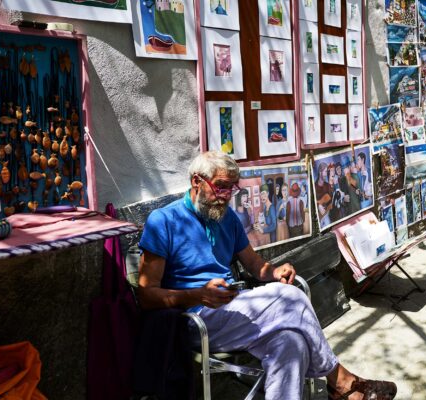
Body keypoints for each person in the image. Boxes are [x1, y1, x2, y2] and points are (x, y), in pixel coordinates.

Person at [138, 151, 397, 400]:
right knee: (291, 298)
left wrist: (273, 271)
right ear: (196, 180)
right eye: (220, 187)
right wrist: (198, 294)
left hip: (234, 308)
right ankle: (341, 382)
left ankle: (340, 387)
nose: (226, 196)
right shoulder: (164, 221)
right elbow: (146, 296)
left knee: (291, 343)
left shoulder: (226, 217)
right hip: (195, 319)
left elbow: (253, 263)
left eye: (232, 188)